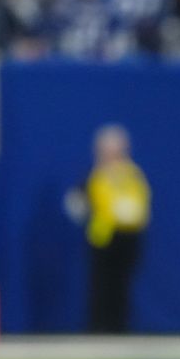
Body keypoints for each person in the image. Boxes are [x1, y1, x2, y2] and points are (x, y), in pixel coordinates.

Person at [66, 124, 152, 333]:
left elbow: (142, 201)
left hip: (129, 235)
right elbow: (75, 203)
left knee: (122, 283)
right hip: (103, 235)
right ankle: (98, 326)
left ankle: (119, 326)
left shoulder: (132, 174)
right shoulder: (94, 175)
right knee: (101, 283)